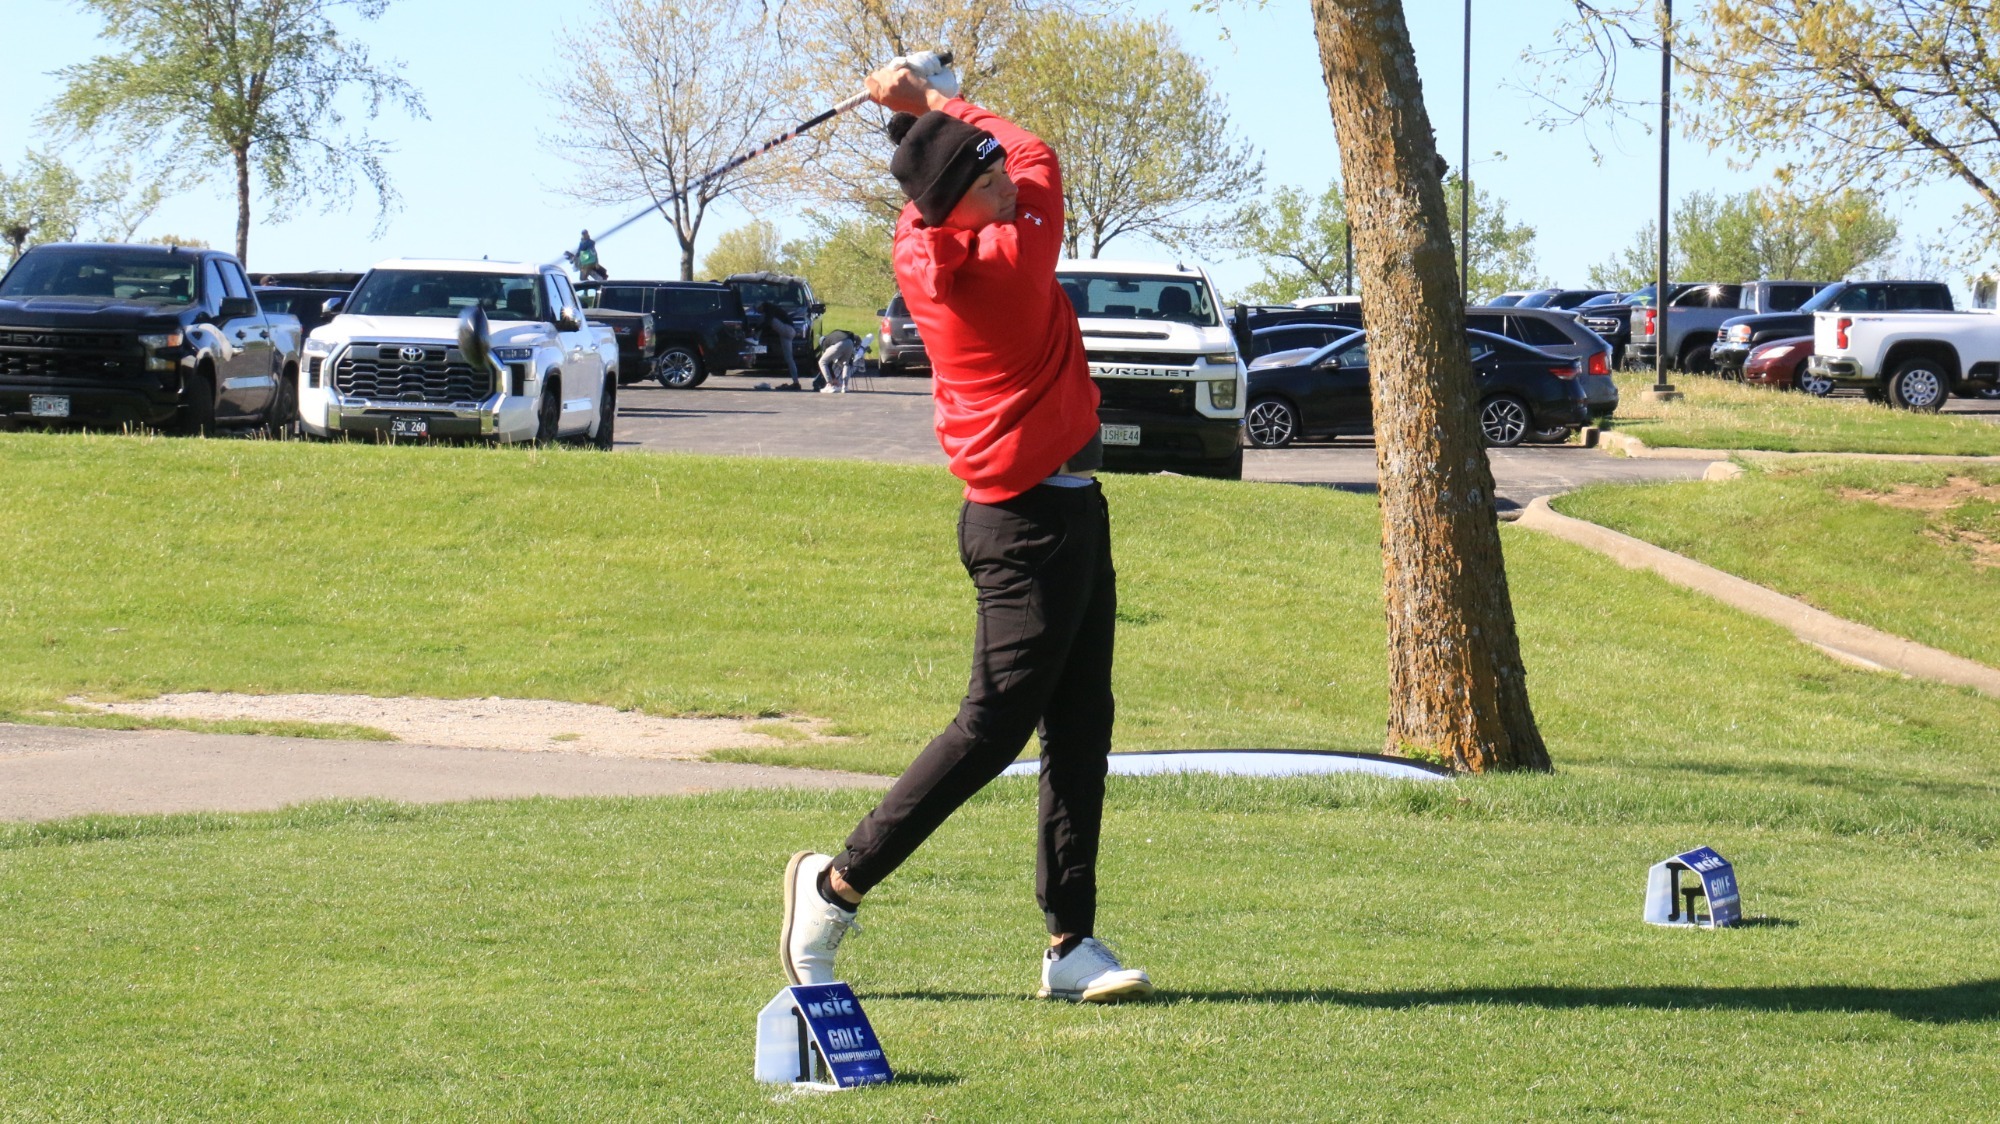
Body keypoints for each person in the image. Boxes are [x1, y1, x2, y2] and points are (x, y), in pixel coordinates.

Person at [780, 62, 1152, 1004]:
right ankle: (833, 888)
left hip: (1059, 512)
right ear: (964, 211)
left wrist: (916, 125)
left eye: (995, 178)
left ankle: (1072, 944)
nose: (1008, 187)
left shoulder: (925, 237)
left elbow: (957, 176)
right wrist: (932, 94)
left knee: (1081, 726)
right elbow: (1037, 151)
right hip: (1028, 527)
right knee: (993, 728)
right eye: (988, 186)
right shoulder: (1009, 263)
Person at [760, 300, 802, 390]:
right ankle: (796, 382)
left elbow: (767, 322)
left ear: (762, 306)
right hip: (789, 332)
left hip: (787, 330)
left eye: (759, 309)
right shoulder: (775, 310)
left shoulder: (768, 309)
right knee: (789, 358)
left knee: (764, 318)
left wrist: (756, 329)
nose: (759, 311)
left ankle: (755, 337)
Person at [816, 329, 862, 393]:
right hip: (849, 342)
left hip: (839, 343)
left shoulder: (825, 343)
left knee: (822, 362)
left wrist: (833, 379)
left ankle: (830, 385)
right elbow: (854, 336)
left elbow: (828, 363)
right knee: (846, 364)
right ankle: (844, 386)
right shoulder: (833, 334)